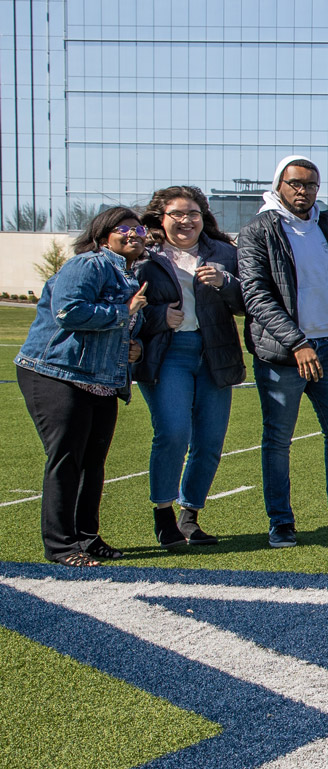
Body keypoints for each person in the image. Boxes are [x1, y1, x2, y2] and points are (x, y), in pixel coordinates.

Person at [238, 155, 328, 548]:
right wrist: (296, 342)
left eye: (311, 184)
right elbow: (255, 295)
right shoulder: (257, 231)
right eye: (295, 183)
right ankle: (281, 521)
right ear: (279, 184)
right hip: (282, 353)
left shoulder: (326, 227)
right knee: (278, 439)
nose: (303, 191)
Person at [15, 207, 147, 566]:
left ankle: (87, 538)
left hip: (100, 381)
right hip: (57, 373)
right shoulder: (88, 264)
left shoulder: (129, 275)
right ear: (104, 234)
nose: (134, 234)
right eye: (124, 228)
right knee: (67, 460)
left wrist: (135, 346)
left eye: (139, 230)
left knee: (93, 463)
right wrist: (124, 312)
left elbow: (122, 332)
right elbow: (68, 311)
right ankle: (60, 546)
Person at [132, 186, 246, 549]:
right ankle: (164, 516)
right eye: (177, 214)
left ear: (204, 217)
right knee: (173, 433)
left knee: (210, 441)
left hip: (216, 353)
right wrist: (157, 315)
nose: (186, 221)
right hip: (168, 355)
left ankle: (189, 517)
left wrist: (226, 283)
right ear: (160, 219)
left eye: (193, 214)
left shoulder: (225, 253)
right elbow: (125, 304)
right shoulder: (144, 258)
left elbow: (249, 301)